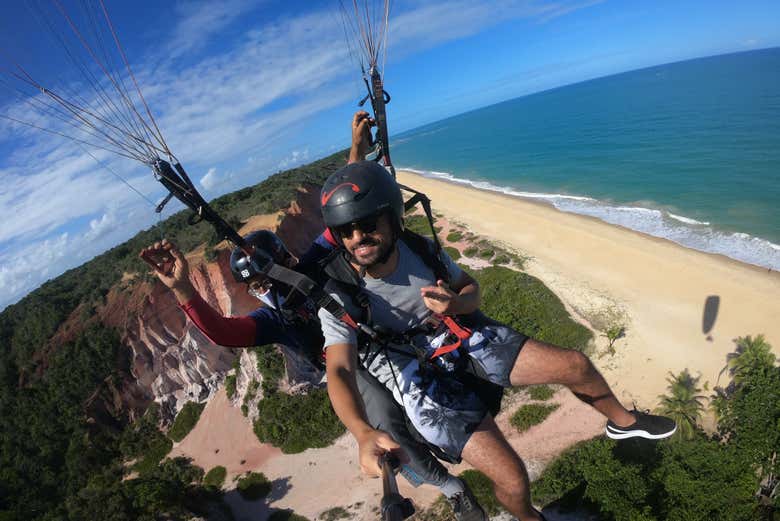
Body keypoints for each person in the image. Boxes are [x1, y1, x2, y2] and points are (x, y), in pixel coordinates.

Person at [317, 159, 677, 521]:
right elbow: (341, 371)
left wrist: (457, 302)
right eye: (345, 231)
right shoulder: (339, 293)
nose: (357, 238)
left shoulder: (419, 250)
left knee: (575, 365)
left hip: (453, 331)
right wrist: (362, 432)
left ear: (393, 217)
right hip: (411, 370)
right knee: (513, 477)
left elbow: (470, 289)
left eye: (366, 224)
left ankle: (624, 423)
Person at [140, 230, 487, 520]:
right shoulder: (276, 319)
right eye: (259, 285)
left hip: (384, 336)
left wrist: (357, 150)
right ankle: (451, 488)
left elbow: (340, 222)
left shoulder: (313, 265)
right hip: (351, 368)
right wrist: (183, 289)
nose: (268, 287)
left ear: (289, 260)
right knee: (386, 421)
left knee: (448, 370)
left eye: (270, 276)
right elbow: (224, 333)